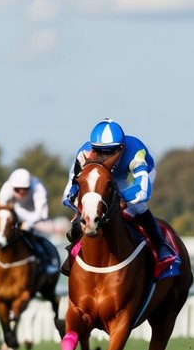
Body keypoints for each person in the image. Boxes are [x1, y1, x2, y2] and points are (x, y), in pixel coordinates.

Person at [60, 118, 178, 279]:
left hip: (128, 178)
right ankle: (73, 251)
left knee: (138, 207)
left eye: (110, 151)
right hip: (99, 179)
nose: (102, 156)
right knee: (86, 214)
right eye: (99, 150)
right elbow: (70, 190)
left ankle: (161, 247)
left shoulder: (135, 151)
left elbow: (143, 190)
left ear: (121, 148)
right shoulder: (84, 152)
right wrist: (82, 206)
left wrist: (119, 199)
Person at [0, 167, 59, 278]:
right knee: (1, 238)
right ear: (12, 186)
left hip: (35, 216)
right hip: (14, 214)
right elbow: (2, 209)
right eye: (18, 189)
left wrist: (27, 224)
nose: (21, 192)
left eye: (25, 189)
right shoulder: (6, 188)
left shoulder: (38, 188)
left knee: (34, 236)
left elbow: (40, 213)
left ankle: (47, 263)